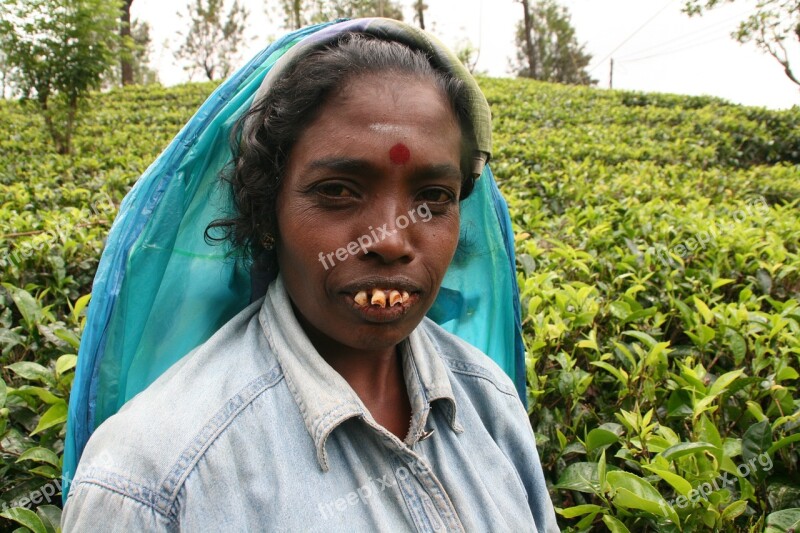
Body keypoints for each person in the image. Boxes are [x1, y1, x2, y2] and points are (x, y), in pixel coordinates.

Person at [62, 18, 559, 532]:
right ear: (267, 209)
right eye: (338, 190)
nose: (389, 239)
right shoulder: (149, 481)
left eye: (433, 198)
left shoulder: (491, 402)